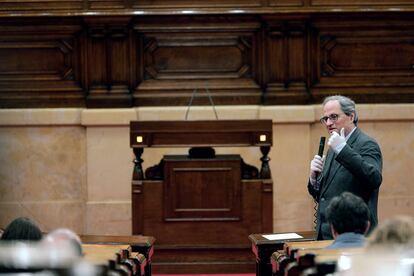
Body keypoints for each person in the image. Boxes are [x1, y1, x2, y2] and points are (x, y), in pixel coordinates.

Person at [308, 95, 383, 240]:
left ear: (351, 116)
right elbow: (324, 196)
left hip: (354, 235)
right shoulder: (334, 146)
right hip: (327, 234)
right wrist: (314, 179)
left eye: (334, 117)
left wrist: (342, 149)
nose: (329, 123)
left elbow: (374, 178)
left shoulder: (366, 144)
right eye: (325, 119)